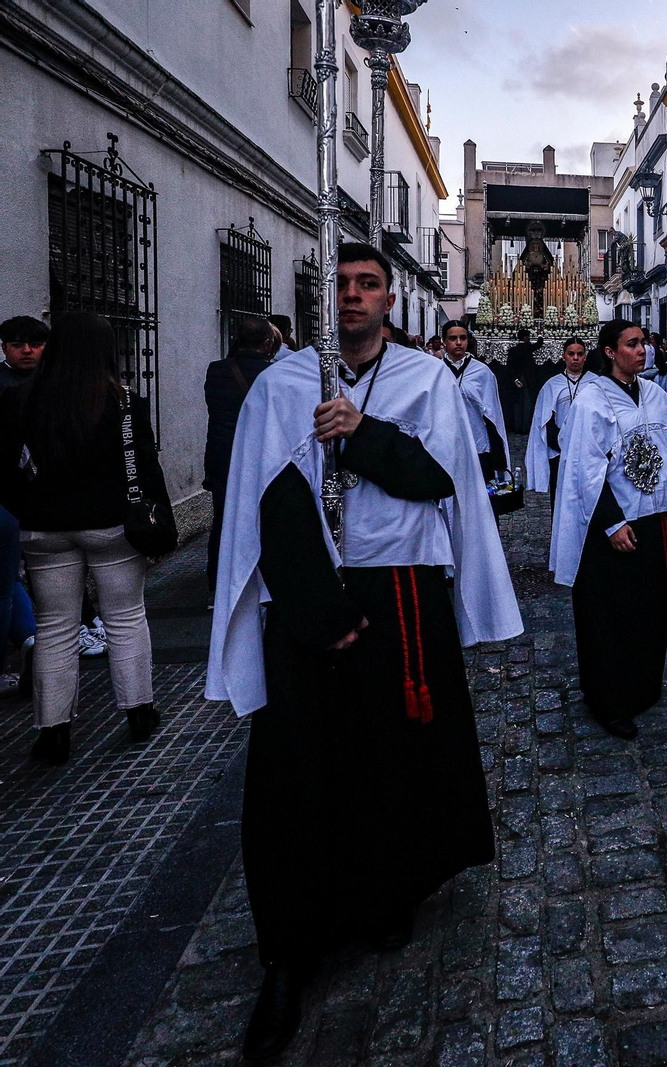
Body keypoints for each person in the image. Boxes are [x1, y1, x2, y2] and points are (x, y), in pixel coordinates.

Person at [206, 243, 521, 1060]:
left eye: (368, 285)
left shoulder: (425, 380)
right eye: (341, 284)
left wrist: (361, 431)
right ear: (325, 298)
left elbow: (441, 477)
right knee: (298, 768)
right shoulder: (281, 385)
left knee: (393, 752)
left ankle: (386, 892)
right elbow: (261, 499)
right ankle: (289, 951)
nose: (352, 296)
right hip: (307, 598)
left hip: (400, 590)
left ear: (389, 300)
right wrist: (315, 606)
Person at [0, 313, 165, 763]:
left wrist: (28, 510)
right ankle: (139, 712)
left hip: (44, 530)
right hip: (112, 526)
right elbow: (144, 467)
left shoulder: (19, 401)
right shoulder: (124, 402)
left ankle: (52, 732)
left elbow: (6, 471)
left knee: (55, 627)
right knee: (126, 617)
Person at [550, 320, 667, 739]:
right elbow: (584, 468)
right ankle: (609, 700)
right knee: (611, 614)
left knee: (648, 608)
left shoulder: (653, 393)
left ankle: (643, 686)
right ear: (610, 352)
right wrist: (612, 522)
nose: (641, 350)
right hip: (613, 525)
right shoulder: (591, 400)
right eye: (632, 344)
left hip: (653, 518)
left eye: (643, 344)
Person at [204, 316, 276, 595]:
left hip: (222, 457)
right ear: (267, 343)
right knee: (263, 521)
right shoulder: (273, 374)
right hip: (258, 457)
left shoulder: (215, 371)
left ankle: (217, 586)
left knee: (223, 523)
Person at [0, 316, 46, 693]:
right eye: (17, 344)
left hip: (38, 499)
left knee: (8, 580)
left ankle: (29, 642)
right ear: (4, 348)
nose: (27, 351)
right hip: (11, 497)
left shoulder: (54, 382)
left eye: (34, 343)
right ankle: (30, 641)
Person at [436, 320, 509, 481]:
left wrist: (498, 455)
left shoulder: (482, 372)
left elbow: (493, 415)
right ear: (444, 341)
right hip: (444, 444)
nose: (458, 342)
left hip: (477, 443)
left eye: (463, 338)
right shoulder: (435, 370)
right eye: (453, 338)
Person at [527, 337, 599, 497]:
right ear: (564, 356)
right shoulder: (552, 385)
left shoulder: (596, 383)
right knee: (560, 496)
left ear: (585, 356)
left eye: (580, 354)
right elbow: (544, 420)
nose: (575, 358)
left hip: (588, 451)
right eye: (571, 354)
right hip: (560, 451)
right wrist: (560, 442)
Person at [501, 328, 538, 434]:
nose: (529, 339)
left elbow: (510, 366)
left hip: (517, 378)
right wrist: (540, 335)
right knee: (527, 403)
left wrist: (515, 379)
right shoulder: (528, 348)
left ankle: (517, 427)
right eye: (528, 337)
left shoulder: (513, 350)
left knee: (517, 403)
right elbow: (538, 344)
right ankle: (526, 427)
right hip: (527, 379)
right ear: (525, 337)